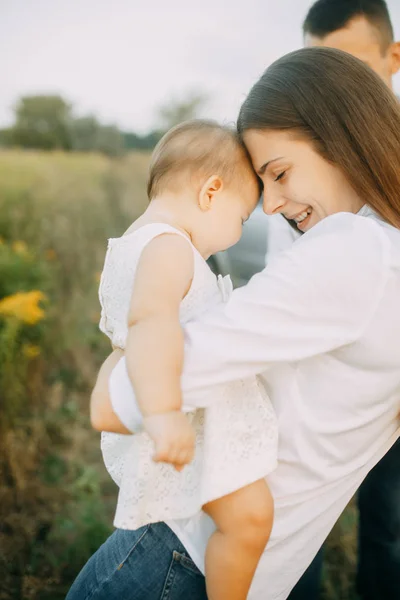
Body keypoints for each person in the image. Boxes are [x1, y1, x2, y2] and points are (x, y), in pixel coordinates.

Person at [69, 47, 400, 600]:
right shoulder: (383, 253)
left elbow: (114, 402)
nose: (270, 206)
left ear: (340, 137)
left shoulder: (356, 248)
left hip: (181, 559)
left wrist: (116, 354)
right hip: (205, 556)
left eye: (279, 173)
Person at [91, 120, 278, 600]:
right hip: (187, 424)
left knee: (248, 518)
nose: (235, 235)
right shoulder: (169, 247)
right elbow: (150, 325)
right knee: (251, 518)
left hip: (182, 417)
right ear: (210, 191)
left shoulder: (133, 245)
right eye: (240, 218)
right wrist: (163, 413)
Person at [264, 2, 400, 598]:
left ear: (394, 59)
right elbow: (279, 271)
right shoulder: (302, 169)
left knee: (391, 530)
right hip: (313, 396)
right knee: (293, 530)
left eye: (346, 66)